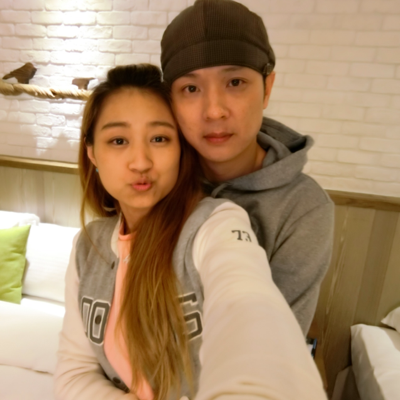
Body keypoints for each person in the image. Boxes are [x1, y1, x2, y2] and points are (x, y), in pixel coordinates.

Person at [54, 64, 326, 400]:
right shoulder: (88, 247)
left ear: (181, 149)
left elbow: (247, 303)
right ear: (93, 153)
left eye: (159, 138)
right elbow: (73, 374)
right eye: (118, 140)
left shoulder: (215, 225)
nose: (140, 162)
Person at [161, 0, 335, 335]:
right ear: (171, 101)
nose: (214, 111)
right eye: (191, 88)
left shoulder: (303, 209)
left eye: (235, 83)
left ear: (267, 88)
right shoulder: (154, 180)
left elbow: (275, 343)